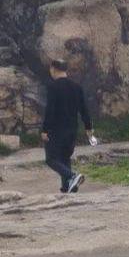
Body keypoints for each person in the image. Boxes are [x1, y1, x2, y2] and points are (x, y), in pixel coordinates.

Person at [41, 59, 94, 194]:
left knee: (51, 159)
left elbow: (50, 110)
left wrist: (45, 129)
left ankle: (72, 176)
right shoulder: (77, 87)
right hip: (72, 129)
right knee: (65, 158)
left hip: (57, 129)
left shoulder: (53, 87)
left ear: (53, 69)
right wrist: (88, 127)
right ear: (66, 69)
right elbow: (84, 109)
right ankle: (68, 188)